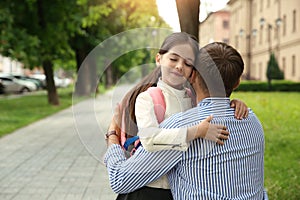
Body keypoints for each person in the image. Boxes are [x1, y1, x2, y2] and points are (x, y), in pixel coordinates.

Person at [104, 42, 267, 199]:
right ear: (237, 82)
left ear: (193, 75)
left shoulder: (182, 127)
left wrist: (112, 135)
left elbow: (120, 180)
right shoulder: (252, 122)